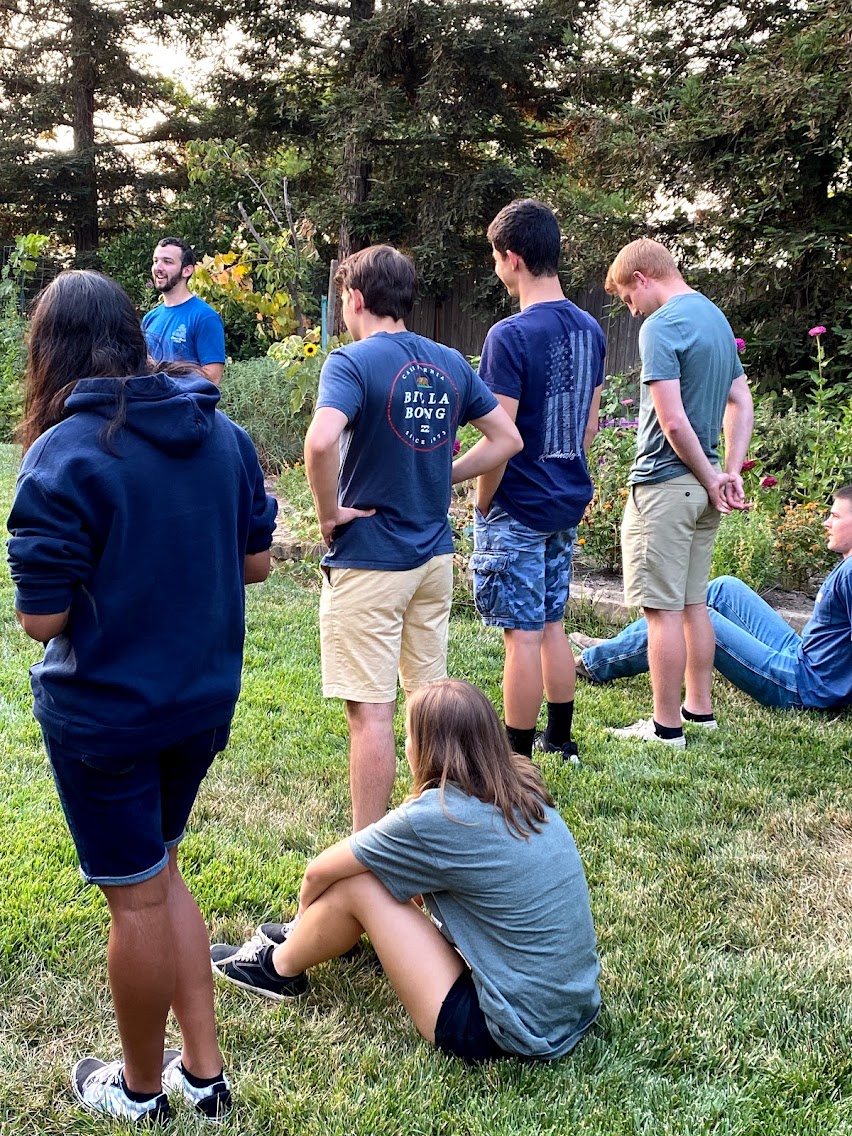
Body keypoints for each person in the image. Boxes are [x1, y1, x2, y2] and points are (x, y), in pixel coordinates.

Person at [6, 270, 277, 1123]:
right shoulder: (224, 434)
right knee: (162, 872)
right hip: (200, 705)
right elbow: (258, 563)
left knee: (137, 897)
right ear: (134, 334)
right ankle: (205, 1075)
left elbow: (41, 620)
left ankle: (140, 1090)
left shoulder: (63, 453)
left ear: (48, 354)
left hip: (106, 720)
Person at [210, 679, 601, 1063]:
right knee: (382, 871)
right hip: (573, 1008)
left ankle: (276, 967)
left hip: (509, 1030)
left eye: (408, 737)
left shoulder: (442, 815)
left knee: (361, 883)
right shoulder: (524, 788)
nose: (406, 747)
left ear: (428, 749)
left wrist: (299, 920)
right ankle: (317, 939)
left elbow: (318, 872)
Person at [303, 245, 522, 831]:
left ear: (354, 298)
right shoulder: (449, 361)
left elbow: (320, 441)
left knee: (371, 715)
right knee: (429, 708)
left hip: (371, 560)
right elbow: (506, 439)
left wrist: (328, 514)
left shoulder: (350, 362)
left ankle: (369, 850)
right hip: (433, 560)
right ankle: (431, 832)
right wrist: (446, 473)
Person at [603, 238, 753, 747]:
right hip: (702, 489)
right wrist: (726, 472)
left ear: (642, 278)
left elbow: (670, 420)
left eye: (629, 298)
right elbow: (741, 401)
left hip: (664, 486)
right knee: (693, 604)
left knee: (662, 612)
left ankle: (665, 727)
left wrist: (713, 478)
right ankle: (699, 711)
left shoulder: (662, 324)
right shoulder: (715, 317)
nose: (632, 310)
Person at [472, 199, 606, 763]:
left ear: (513, 257)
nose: (496, 267)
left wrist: (481, 499)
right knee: (552, 621)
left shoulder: (509, 335)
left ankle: (517, 760)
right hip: (565, 497)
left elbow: (498, 437)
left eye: (495, 257)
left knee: (522, 634)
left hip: (519, 504)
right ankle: (560, 738)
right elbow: (590, 427)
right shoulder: (590, 329)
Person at [573, 487, 852, 711]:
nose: (826, 523)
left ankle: (594, 662)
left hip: (803, 684)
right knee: (724, 588)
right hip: (802, 655)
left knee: (699, 621)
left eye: (836, 517)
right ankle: (617, 646)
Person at [142, 237, 226, 385]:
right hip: (151, 399)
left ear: (187, 270)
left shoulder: (204, 317)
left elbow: (213, 378)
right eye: (155, 261)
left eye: (167, 262)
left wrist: (162, 368)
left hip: (186, 400)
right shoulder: (150, 318)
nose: (158, 268)